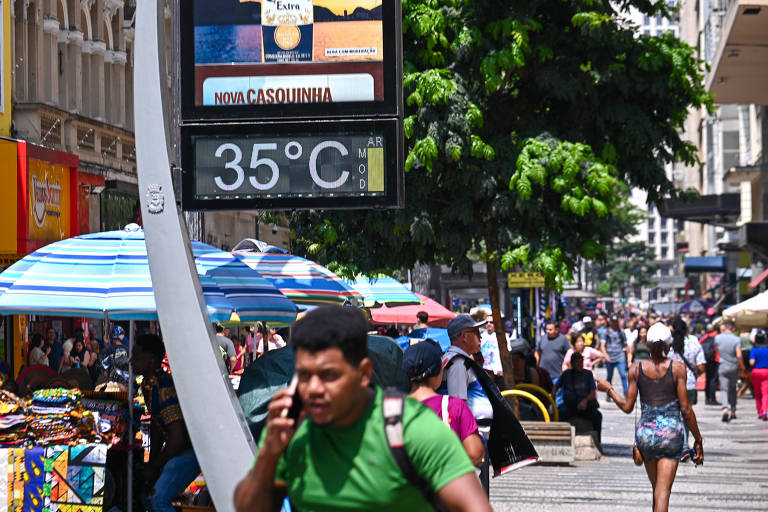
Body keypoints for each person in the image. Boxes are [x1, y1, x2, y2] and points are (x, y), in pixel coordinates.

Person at [233, 305, 489, 512]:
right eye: (304, 375)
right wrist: (268, 455)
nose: (314, 388)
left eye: (329, 375)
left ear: (364, 372)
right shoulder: (289, 431)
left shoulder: (411, 429)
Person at [597, 322, 703, 512]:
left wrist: (609, 389)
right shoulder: (678, 368)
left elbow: (627, 407)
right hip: (671, 435)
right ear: (669, 346)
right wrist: (698, 439)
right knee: (663, 493)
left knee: (657, 490)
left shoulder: (636, 369)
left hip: (646, 434)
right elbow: (686, 410)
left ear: (647, 345)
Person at [130, 334, 200, 512]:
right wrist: (153, 464)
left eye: (137, 356)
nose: (131, 360)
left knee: (158, 500)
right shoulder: (149, 384)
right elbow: (157, 428)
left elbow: (177, 437)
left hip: (191, 450)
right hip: (180, 449)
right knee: (148, 497)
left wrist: (155, 465)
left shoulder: (163, 386)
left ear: (151, 360)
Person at [403, 339, 484, 466]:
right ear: (438, 371)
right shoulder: (455, 407)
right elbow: (475, 454)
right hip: (447, 481)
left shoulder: (394, 409)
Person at [440, 313, 493, 494]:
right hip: (469, 440)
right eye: (476, 332)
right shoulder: (458, 364)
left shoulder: (460, 361)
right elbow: (457, 407)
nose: (480, 336)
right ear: (464, 336)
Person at [667, 317, 705, 458]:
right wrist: (694, 373)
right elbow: (701, 366)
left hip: (670, 384)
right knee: (686, 415)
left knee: (672, 415)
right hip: (688, 384)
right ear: (686, 329)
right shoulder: (694, 343)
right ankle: (683, 446)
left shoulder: (668, 344)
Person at [554, 353, 602, 443]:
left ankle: (597, 442)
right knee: (560, 412)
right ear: (572, 363)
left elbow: (592, 392)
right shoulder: (566, 374)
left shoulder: (588, 374)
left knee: (597, 416)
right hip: (569, 405)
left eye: (581, 362)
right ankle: (559, 439)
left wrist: (585, 401)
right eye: (577, 362)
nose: (580, 364)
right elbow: (556, 385)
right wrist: (553, 394)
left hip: (585, 406)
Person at [715, 321, 747, 422]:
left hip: (722, 365)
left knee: (724, 389)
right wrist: (742, 366)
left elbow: (716, 349)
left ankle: (725, 408)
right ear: (733, 329)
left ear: (725, 328)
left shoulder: (718, 338)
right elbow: (738, 354)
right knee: (733, 389)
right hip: (733, 366)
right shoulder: (736, 339)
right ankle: (733, 411)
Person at [535, 320, 571, 386]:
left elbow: (569, 354)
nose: (547, 331)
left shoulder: (563, 339)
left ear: (557, 330)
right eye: (547, 329)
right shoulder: (543, 338)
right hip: (543, 375)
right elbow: (537, 352)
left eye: (550, 329)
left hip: (557, 375)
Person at [601, 315, 629, 396]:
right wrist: (605, 355)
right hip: (609, 357)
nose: (614, 323)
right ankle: (609, 393)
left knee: (623, 375)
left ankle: (626, 394)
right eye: (613, 321)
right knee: (609, 377)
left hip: (620, 356)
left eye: (616, 321)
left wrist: (629, 356)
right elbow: (602, 345)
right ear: (610, 322)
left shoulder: (621, 332)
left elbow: (625, 345)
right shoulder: (606, 332)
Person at [749, 329, 768, 420]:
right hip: (766, 372)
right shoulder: (767, 349)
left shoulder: (754, 349)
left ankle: (760, 411)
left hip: (756, 372)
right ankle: (765, 411)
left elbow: (752, 363)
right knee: (765, 393)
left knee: (757, 393)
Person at [698, 323, 720, 405]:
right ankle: (713, 398)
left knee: (708, 379)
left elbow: (699, 345)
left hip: (706, 359)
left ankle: (707, 398)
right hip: (715, 359)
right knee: (714, 379)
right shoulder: (717, 336)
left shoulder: (705, 337)